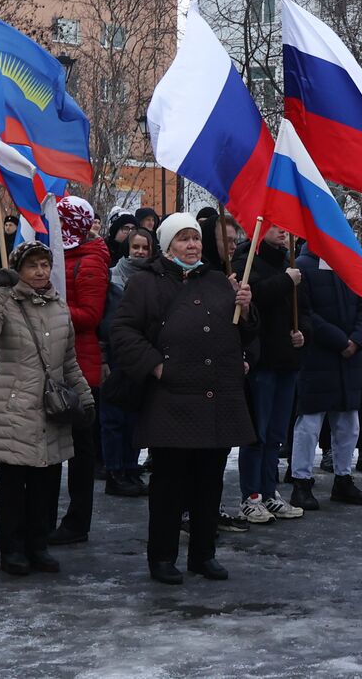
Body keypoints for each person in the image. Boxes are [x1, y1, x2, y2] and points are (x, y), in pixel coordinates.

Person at [110, 212, 257, 584]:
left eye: (195, 239)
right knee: (169, 485)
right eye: (183, 239)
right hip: (171, 401)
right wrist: (157, 367)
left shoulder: (219, 282)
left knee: (210, 482)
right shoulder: (146, 283)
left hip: (218, 398)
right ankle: (162, 557)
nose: (192, 245)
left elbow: (246, 332)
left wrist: (247, 307)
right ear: (168, 245)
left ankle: (203, 555)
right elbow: (123, 333)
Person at [0, 242, 95, 575]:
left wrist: (84, 396)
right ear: (18, 269)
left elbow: (69, 361)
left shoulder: (59, 306)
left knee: (46, 483)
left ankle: (37, 545)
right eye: (32, 266)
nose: (40, 272)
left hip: (51, 409)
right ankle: (12, 550)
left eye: (44, 265)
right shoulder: (5, 302)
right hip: (14, 409)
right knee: (13, 487)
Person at [231, 224, 309, 524]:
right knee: (257, 433)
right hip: (261, 363)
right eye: (275, 226)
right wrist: (285, 281)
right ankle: (250, 497)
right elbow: (252, 298)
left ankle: (268, 491)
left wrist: (304, 334)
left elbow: (305, 312)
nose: (283, 232)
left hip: (286, 361)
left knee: (276, 434)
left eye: (287, 227)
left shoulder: (291, 265)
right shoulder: (246, 261)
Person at [289, 243, 362, 508]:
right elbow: (305, 313)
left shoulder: (352, 263)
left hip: (350, 358)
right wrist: (340, 341)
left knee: (348, 423)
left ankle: (343, 479)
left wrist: (357, 340)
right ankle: (301, 481)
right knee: (310, 424)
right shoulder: (303, 267)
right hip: (318, 356)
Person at [49, 197, 110, 547]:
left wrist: (50, 307)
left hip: (80, 369)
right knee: (54, 445)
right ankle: (46, 516)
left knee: (80, 451)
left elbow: (90, 315)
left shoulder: (89, 262)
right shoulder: (58, 257)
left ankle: (77, 521)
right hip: (53, 363)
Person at [100, 227, 155, 497]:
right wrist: (101, 357)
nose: (141, 252)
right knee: (113, 419)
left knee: (135, 417)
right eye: (136, 247)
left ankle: (131, 468)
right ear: (128, 248)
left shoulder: (153, 279)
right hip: (113, 356)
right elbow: (102, 319)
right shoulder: (111, 278)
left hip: (140, 357)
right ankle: (114, 471)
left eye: (145, 248)